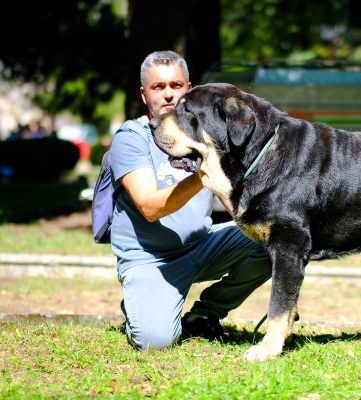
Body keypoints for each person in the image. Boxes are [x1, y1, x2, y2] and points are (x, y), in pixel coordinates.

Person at [109, 50, 271, 350]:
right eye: (158, 87)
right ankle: (142, 302)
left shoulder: (204, 136)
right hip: (151, 261)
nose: (168, 94)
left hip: (202, 247)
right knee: (155, 342)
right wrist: (202, 174)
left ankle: (205, 314)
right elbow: (148, 207)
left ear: (189, 90)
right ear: (145, 95)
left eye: (176, 85)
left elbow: (232, 200)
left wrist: (282, 259)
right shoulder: (131, 138)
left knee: (271, 237)